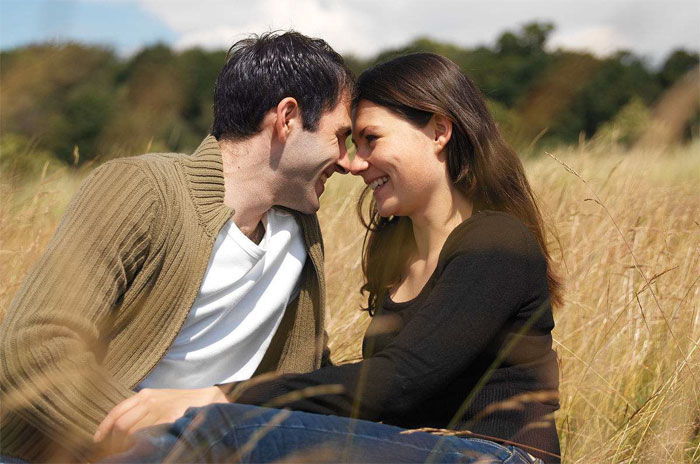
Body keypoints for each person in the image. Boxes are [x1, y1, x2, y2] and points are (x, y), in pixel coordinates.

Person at [100, 52, 563, 463]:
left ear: (439, 131)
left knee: (219, 429)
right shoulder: (397, 260)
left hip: (498, 454)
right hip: (413, 449)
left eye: (371, 139)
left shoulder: (496, 241)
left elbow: (399, 382)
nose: (355, 163)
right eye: (353, 143)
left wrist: (221, 396)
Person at [0, 31, 355, 462]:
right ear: (287, 118)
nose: (349, 161)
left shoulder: (301, 230)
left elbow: (310, 372)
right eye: (340, 136)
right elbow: (34, 347)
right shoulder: (143, 189)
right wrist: (165, 445)